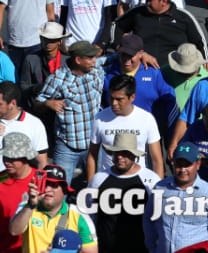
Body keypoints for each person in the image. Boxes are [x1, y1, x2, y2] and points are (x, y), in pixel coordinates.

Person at [35, 40, 104, 183]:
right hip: (67, 146)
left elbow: (113, 58)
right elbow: (37, 104)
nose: (94, 60)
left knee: (98, 185)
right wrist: (48, 103)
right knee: (58, 186)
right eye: (90, 57)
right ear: (78, 60)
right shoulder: (57, 79)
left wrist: (143, 55)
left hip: (94, 144)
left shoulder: (95, 68)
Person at [145, 142, 208, 253]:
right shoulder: (160, 188)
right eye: (179, 164)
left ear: (198, 164)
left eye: (187, 165)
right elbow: (149, 219)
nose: (183, 169)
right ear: (173, 164)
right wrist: (152, 247)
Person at [85, 132, 160, 253]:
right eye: (116, 152)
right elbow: (89, 218)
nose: (120, 157)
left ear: (134, 155)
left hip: (141, 249)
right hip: (106, 249)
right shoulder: (98, 179)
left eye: (125, 153)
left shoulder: (151, 180)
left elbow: (158, 218)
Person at [87, 75, 164, 178]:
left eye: (119, 99)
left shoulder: (147, 119)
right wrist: (91, 184)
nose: (114, 103)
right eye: (111, 98)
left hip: (138, 181)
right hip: (108, 181)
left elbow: (157, 160)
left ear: (132, 97)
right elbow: (92, 155)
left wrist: (158, 185)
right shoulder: (100, 118)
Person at [8, 165, 97, 253]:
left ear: (64, 190)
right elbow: (14, 231)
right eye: (45, 184)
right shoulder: (27, 207)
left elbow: (92, 251)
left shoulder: (79, 215)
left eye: (54, 185)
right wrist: (30, 205)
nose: (47, 189)